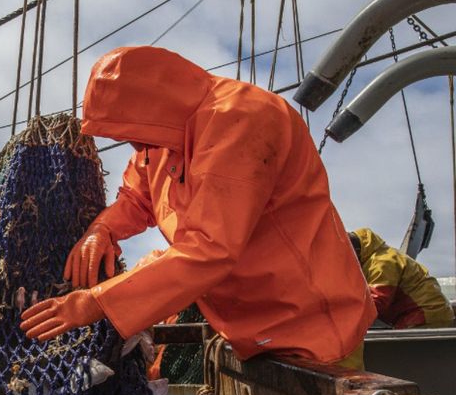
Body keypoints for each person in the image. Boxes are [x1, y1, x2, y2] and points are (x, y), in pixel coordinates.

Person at [20, 46, 376, 369]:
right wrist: (104, 229)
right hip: (251, 336)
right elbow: (135, 197)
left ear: (154, 106)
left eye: (130, 131)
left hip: (314, 332)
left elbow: (210, 247)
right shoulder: (158, 146)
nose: (132, 144)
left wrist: (95, 303)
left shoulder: (243, 118)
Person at [349, 228, 454, 329]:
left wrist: (342, 316)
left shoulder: (383, 262)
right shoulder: (372, 259)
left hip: (426, 314)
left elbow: (376, 304)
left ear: (355, 251)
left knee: (404, 346)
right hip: (424, 313)